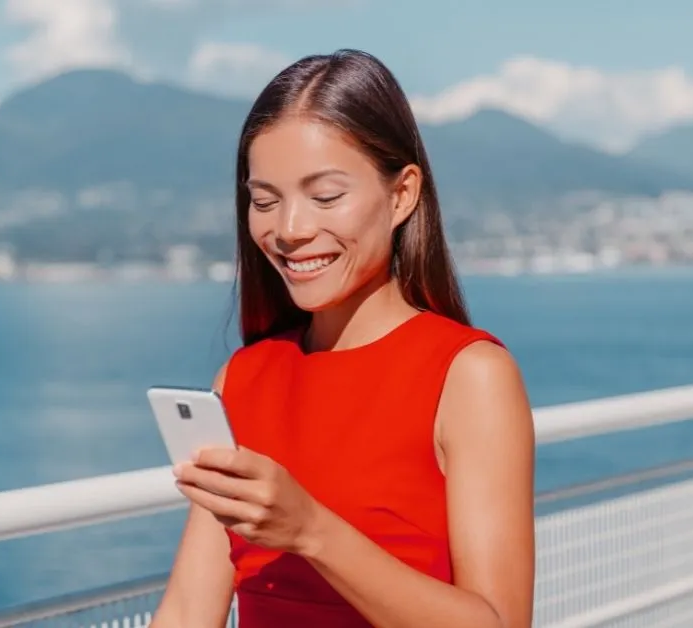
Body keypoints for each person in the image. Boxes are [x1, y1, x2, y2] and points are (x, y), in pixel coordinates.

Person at [149, 49, 536, 628]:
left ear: (402, 195)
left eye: (325, 197)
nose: (289, 230)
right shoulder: (245, 376)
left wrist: (311, 531)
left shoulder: (468, 374)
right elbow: (186, 611)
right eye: (263, 200)